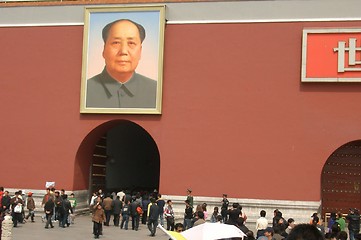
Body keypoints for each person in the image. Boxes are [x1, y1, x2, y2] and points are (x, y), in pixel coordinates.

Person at [86, 19, 157, 109]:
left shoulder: (156, 91)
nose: (123, 51)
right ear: (104, 50)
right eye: (116, 43)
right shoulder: (84, 91)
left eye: (131, 43)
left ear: (140, 51)